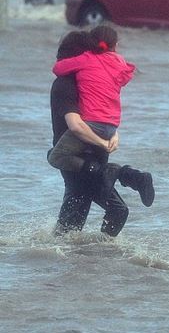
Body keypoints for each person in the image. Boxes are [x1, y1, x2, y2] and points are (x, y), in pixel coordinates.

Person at [50, 31, 155, 237]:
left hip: (86, 159)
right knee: (114, 211)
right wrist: (107, 137)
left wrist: (110, 136)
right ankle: (97, 258)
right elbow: (88, 120)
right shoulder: (77, 82)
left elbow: (88, 120)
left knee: (70, 230)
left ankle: (92, 259)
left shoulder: (77, 82)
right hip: (85, 160)